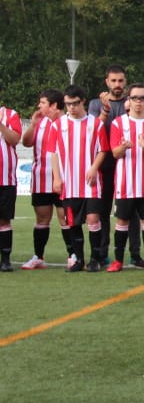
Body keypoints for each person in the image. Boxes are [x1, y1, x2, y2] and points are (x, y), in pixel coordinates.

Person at [106, 83, 144, 272]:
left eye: (142, 98)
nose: (138, 102)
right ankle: (118, 260)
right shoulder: (118, 123)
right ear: (128, 101)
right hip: (125, 183)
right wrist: (124, 147)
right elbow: (115, 153)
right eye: (135, 98)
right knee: (122, 221)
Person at [50, 85, 109, 272]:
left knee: (93, 219)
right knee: (72, 222)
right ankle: (78, 259)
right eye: (68, 104)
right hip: (69, 183)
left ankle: (95, 258)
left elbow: (103, 149)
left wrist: (93, 167)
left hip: (90, 183)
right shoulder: (58, 125)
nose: (72, 107)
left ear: (83, 101)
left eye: (75, 103)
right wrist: (57, 178)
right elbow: (54, 153)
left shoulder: (96, 124)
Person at [88, 64, 140, 264]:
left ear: (125, 82)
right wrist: (105, 111)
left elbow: (136, 128)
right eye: (113, 81)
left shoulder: (133, 103)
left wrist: (129, 112)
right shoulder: (95, 104)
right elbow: (93, 131)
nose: (117, 84)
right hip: (104, 164)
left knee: (132, 211)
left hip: (127, 166)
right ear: (107, 82)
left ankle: (135, 254)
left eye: (120, 80)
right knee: (102, 210)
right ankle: (101, 253)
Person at [19, 89, 64, 270]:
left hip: (63, 179)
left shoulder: (66, 122)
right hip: (40, 178)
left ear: (53, 105)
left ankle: (73, 255)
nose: (39, 106)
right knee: (42, 219)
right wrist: (32, 124)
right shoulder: (40, 122)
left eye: (43, 103)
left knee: (65, 218)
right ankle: (38, 256)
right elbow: (26, 142)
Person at [0, 90, 21, 271]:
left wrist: (0, 125)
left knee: (4, 220)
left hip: (5, 179)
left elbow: (14, 139)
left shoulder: (10, 115)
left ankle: (5, 259)